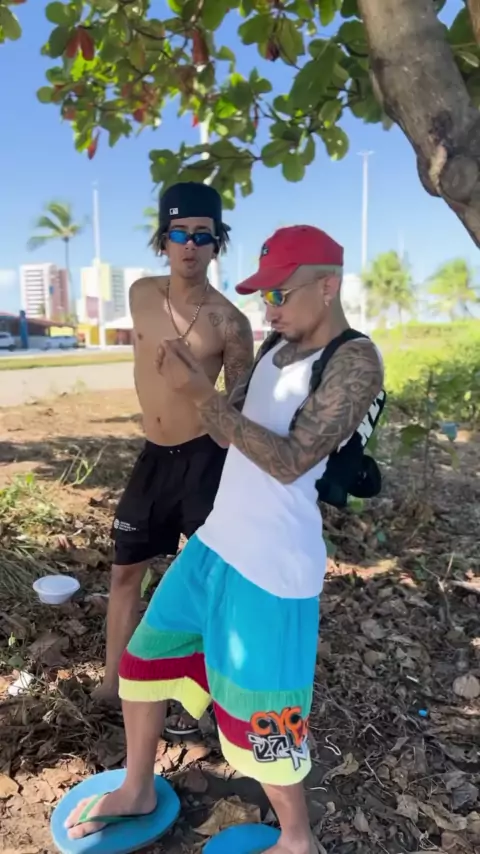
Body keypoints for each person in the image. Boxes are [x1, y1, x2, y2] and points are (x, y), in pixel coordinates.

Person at [65, 225, 384, 854]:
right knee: (144, 662)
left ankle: (297, 839)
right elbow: (223, 430)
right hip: (216, 543)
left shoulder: (354, 360)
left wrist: (201, 397)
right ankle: (137, 787)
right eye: (264, 296)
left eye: (281, 294)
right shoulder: (273, 346)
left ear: (328, 286)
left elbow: (290, 460)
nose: (270, 309)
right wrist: (187, 383)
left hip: (272, 568)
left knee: (265, 717)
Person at [94, 182, 254, 729]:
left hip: (205, 463)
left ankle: (211, 695)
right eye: (179, 234)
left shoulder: (231, 323)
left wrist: (194, 388)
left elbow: (236, 423)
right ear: (163, 240)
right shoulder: (141, 294)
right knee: (124, 573)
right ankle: (112, 681)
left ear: (217, 243)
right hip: (153, 459)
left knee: (211, 583)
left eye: (202, 235)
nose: (190, 245)